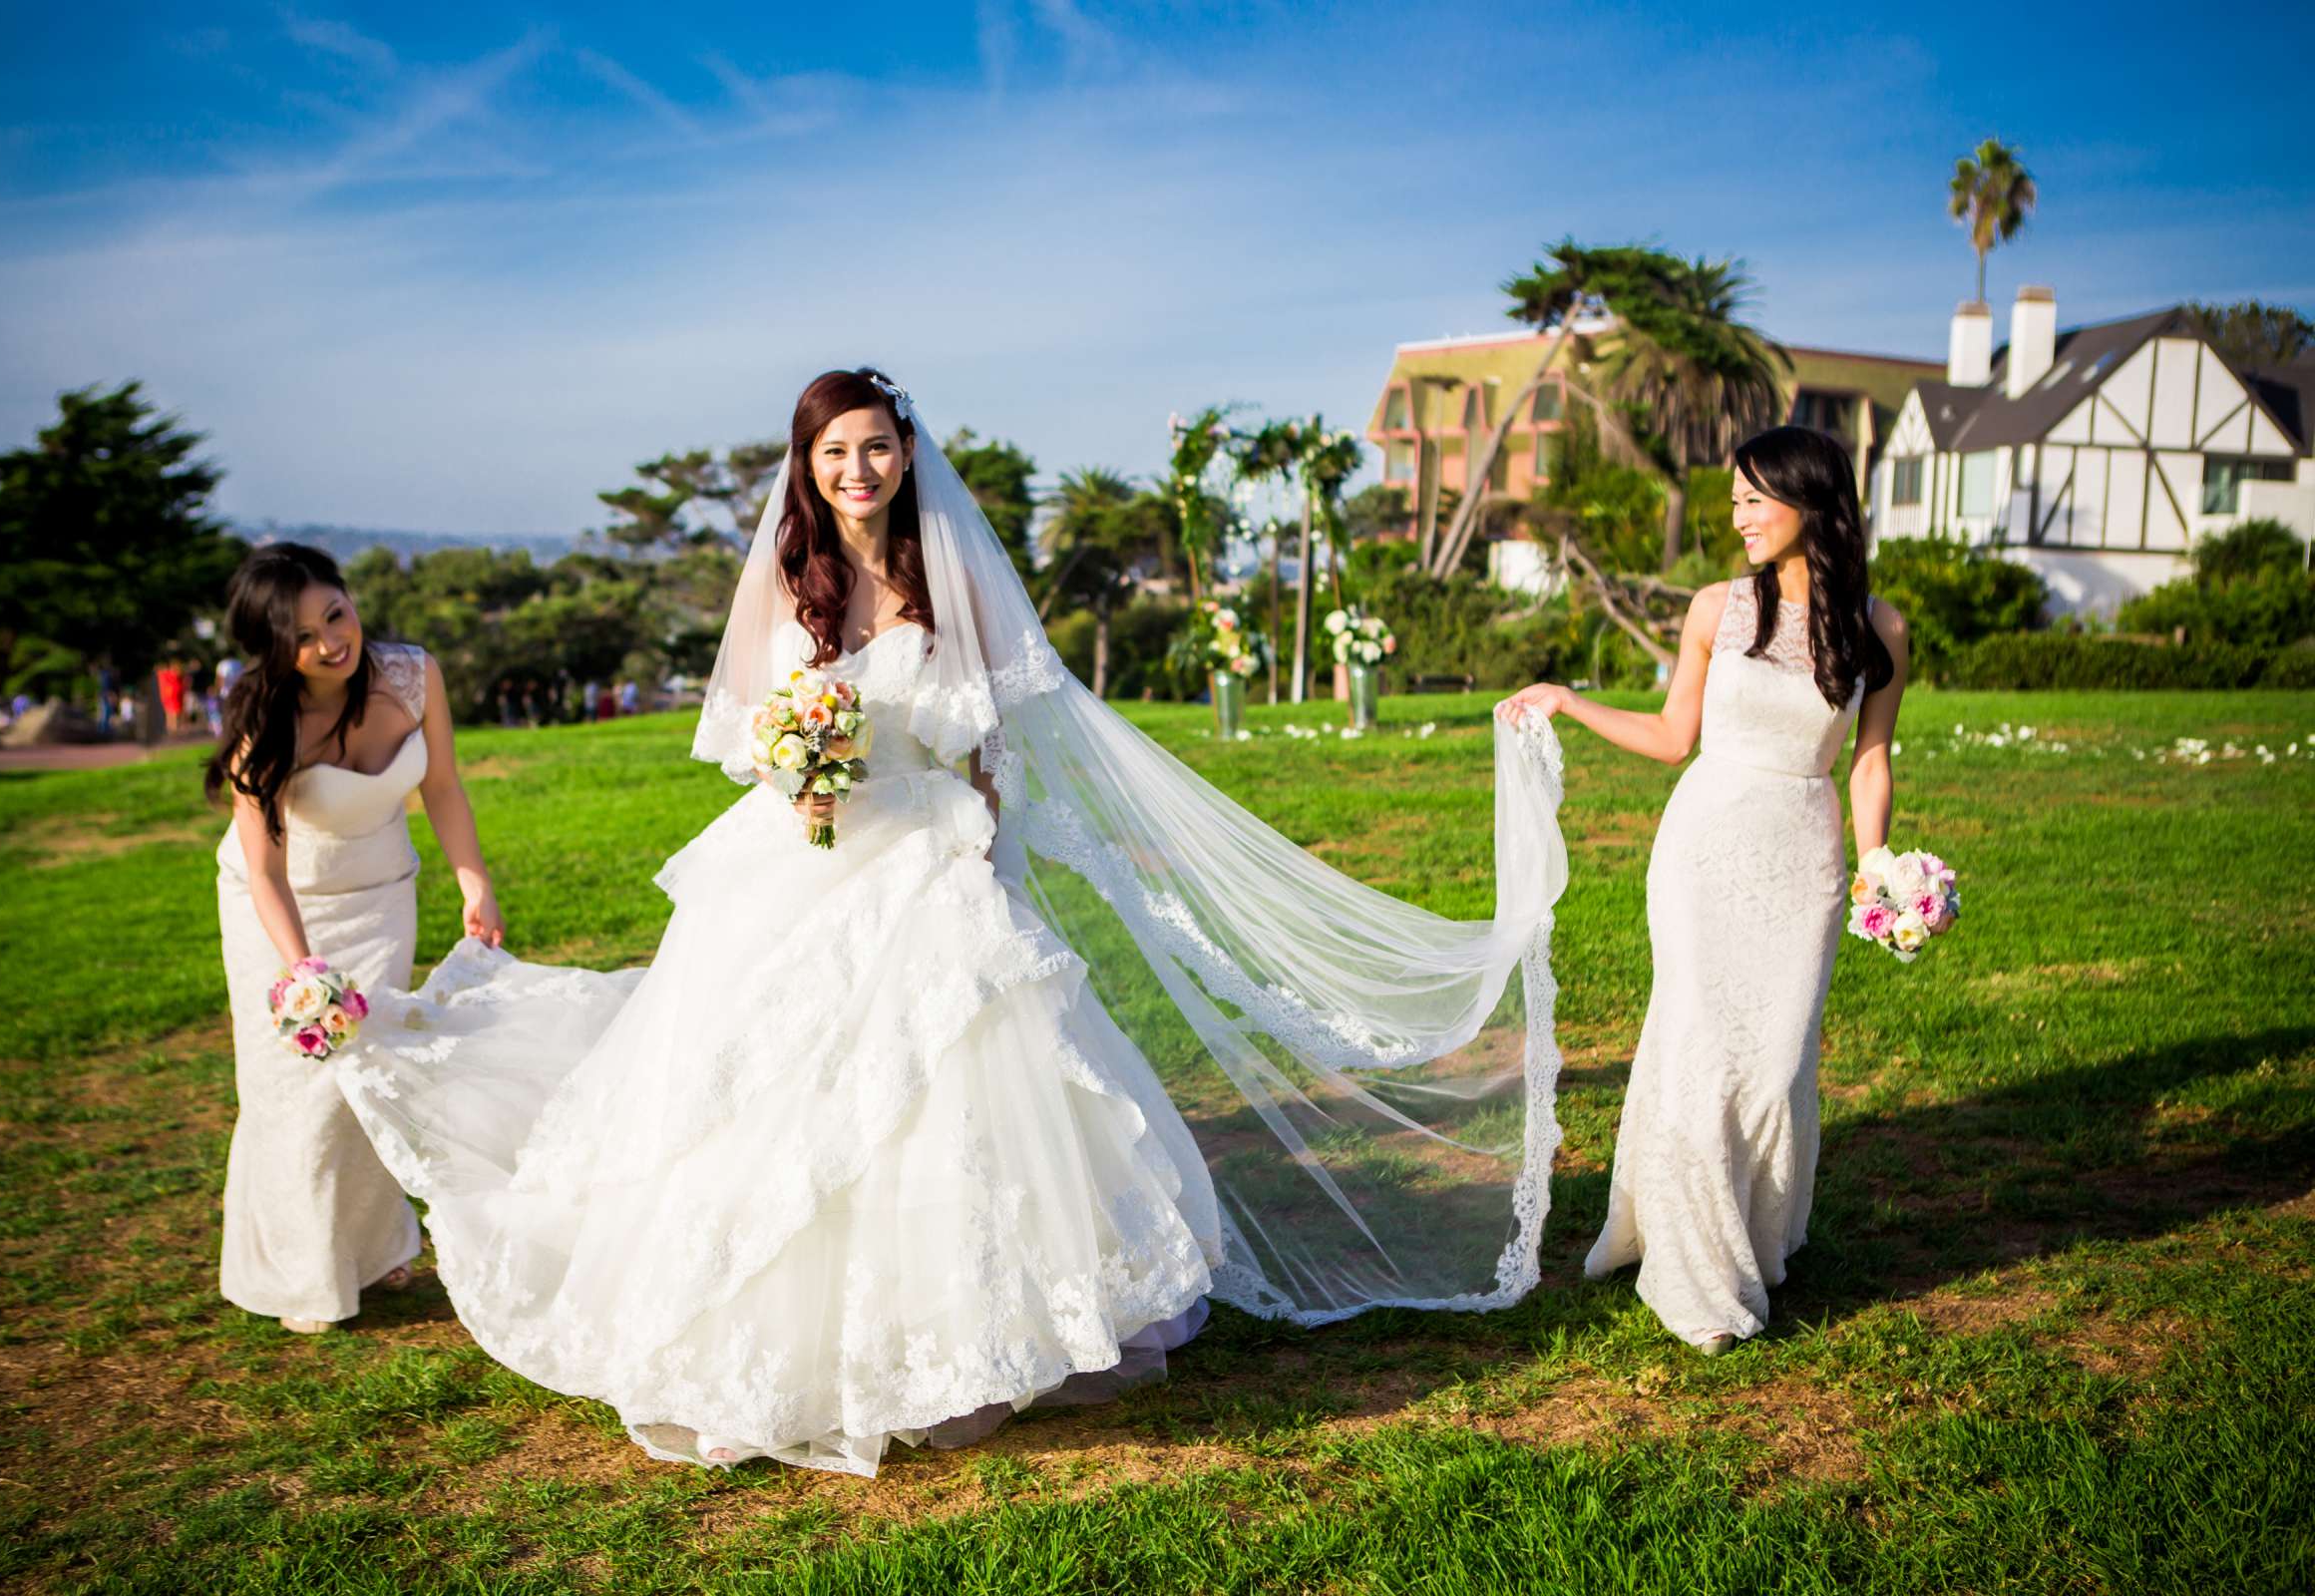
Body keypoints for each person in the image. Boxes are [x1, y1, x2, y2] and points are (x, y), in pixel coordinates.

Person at [334, 368, 1568, 1477]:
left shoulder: (951, 569)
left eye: (874, 448)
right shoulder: (786, 574)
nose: (857, 471)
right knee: (775, 1086)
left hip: (935, 847)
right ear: (806, 470)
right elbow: (751, 735)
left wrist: (984, 837)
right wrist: (803, 766)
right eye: (833, 455)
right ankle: (754, 1343)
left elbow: (991, 729)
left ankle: (991, 1327)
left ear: (906, 453)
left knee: (975, 1077)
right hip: (808, 855)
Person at [1497, 425, 1910, 1354]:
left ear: (1813, 501)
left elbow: (1872, 760)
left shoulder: (1880, 626)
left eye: (1755, 500)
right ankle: (1691, 1269)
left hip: (1803, 859)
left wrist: (1881, 865)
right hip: (1703, 848)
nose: (1740, 518)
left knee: (1772, 1068)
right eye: (1734, 501)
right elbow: (1670, 735)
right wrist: (1567, 699)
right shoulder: (1715, 608)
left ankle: (1755, 1242)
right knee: (1698, 1048)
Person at [204, 544, 508, 1337]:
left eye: (335, 614)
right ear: (275, 649)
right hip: (279, 912)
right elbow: (265, 872)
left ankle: (374, 1248)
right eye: (303, 636)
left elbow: (441, 786)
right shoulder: (259, 723)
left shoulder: (414, 675)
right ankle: (305, 1270)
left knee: (369, 1076)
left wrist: (472, 880)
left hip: (381, 900)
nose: (330, 642)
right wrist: (300, 967)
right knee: (298, 1089)